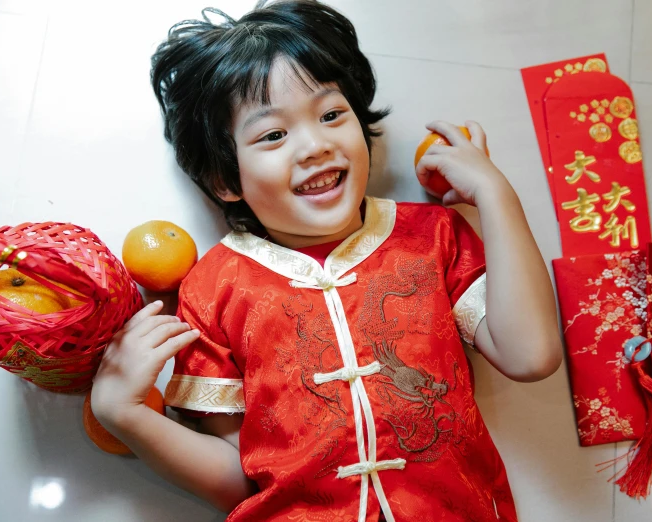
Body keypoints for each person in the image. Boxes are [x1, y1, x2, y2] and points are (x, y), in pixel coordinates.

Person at [91, 1, 563, 520]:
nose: (315, 144)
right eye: (273, 135)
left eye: (331, 115)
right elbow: (238, 479)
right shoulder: (212, 288)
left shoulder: (432, 237)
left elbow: (530, 356)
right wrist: (124, 415)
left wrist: (495, 194)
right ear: (226, 180)